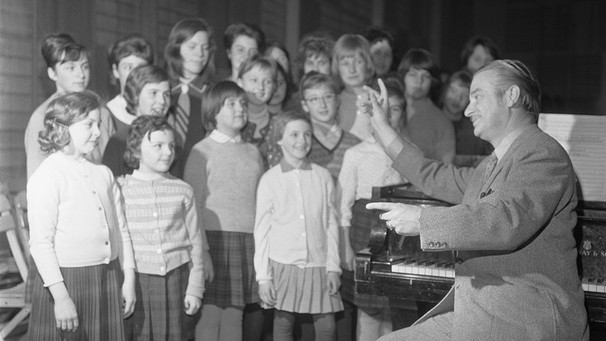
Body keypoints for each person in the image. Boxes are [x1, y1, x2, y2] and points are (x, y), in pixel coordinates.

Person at [361, 60, 589, 340]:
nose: (467, 110)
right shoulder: (490, 166)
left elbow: (504, 221)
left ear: (512, 96)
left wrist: (421, 220)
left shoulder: (543, 153)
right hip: (482, 311)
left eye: (477, 96)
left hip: (524, 317)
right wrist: (381, 125)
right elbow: (430, 174)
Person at [27, 91, 136, 341]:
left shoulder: (104, 174)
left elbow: (120, 231)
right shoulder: (48, 176)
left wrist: (128, 278)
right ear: (62, 127)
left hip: (107, 277)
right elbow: (41, 243)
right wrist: (61, 297)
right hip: (66, 282)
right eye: (89, 124)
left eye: (98, 124)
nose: (98, 132)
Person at [184, 80, 265, 341]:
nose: (240, 108)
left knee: (234, 314)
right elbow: (192, 207)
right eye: (231, 103)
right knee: (210, 314)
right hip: (214, 239)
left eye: (243, 103)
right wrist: (203, 252)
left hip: (247, 241)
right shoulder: (202, 151)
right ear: (213, 111)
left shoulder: (253, 151)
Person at [254, 110, 343, 341]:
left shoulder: (323, 176)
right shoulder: (270, 179)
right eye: (294, 134)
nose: (302, 141)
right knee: (283, 325)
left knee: (326, 328)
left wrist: (333, 266)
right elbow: (261, 231)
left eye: (307, 135)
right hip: (283, 264)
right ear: (279, 139)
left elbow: (331, 224)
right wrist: (263, 277)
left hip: (319, 264)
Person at [118, 115, 205, 340]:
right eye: (158, 146)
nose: (167, 152)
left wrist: (195, 288)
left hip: (177, 280)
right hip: (138, 280)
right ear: (137, 150)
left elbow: (195, 243)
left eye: (171, 146)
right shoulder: (120, 188)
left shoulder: (183, 190)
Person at [338, 90, 405, 341]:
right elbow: (343, 205)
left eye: (395, 109)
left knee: (392, 304)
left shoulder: (409, 152)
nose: (388, 115)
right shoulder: (355, 154)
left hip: (397, 231)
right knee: (369, 304)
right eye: (381, 110)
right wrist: (345, 246)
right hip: (364, 229)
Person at [25, 33, 114, 179]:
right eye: (70, 68)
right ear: (52, 73)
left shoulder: (102, 113)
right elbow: (36, 176)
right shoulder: (42, 117)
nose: (81, 74)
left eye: (85, 66)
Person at [164, 17, 216, 177]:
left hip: (202, 174)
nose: (200, 54)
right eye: (192, 46)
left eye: (205, 48)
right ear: (176, 48)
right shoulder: (163, 91)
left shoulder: (213, 94)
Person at [102, 64, 171, 176]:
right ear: (135, 95)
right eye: (153, 93)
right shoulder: (119, 141)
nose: (162, 101)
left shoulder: (173, 139)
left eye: (167, 94)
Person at [397, 48, 455, 164]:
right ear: (403, 76)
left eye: (426, 76)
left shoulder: (441, 120)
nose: (419, 81)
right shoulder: (388, 109)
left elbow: (444, 167)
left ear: (432, 81)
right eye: (413, 74)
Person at [440, 70, 492, 166]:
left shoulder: (477, 130)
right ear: (445, 90)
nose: (457, 98)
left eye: (464, 95)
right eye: (453, 91)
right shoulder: (429, 120)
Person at [106, 34, 154, 133]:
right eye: (127, 67)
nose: (134, 73)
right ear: (116, 71)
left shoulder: (158, 108)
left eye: (141, 67)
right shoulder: (107, 113)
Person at [333, 34, 376, 141]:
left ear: (367, 64)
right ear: (337, 67)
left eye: (358, 62)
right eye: (345, 63)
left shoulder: (377, 100)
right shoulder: (333, 101)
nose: (352, 70)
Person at [236, 55, 277, 164]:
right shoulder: (229, 121)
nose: (261, 87)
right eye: (254, 80)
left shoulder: (280, 124)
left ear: (274, 86)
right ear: (240, 82)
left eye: (267, 82)